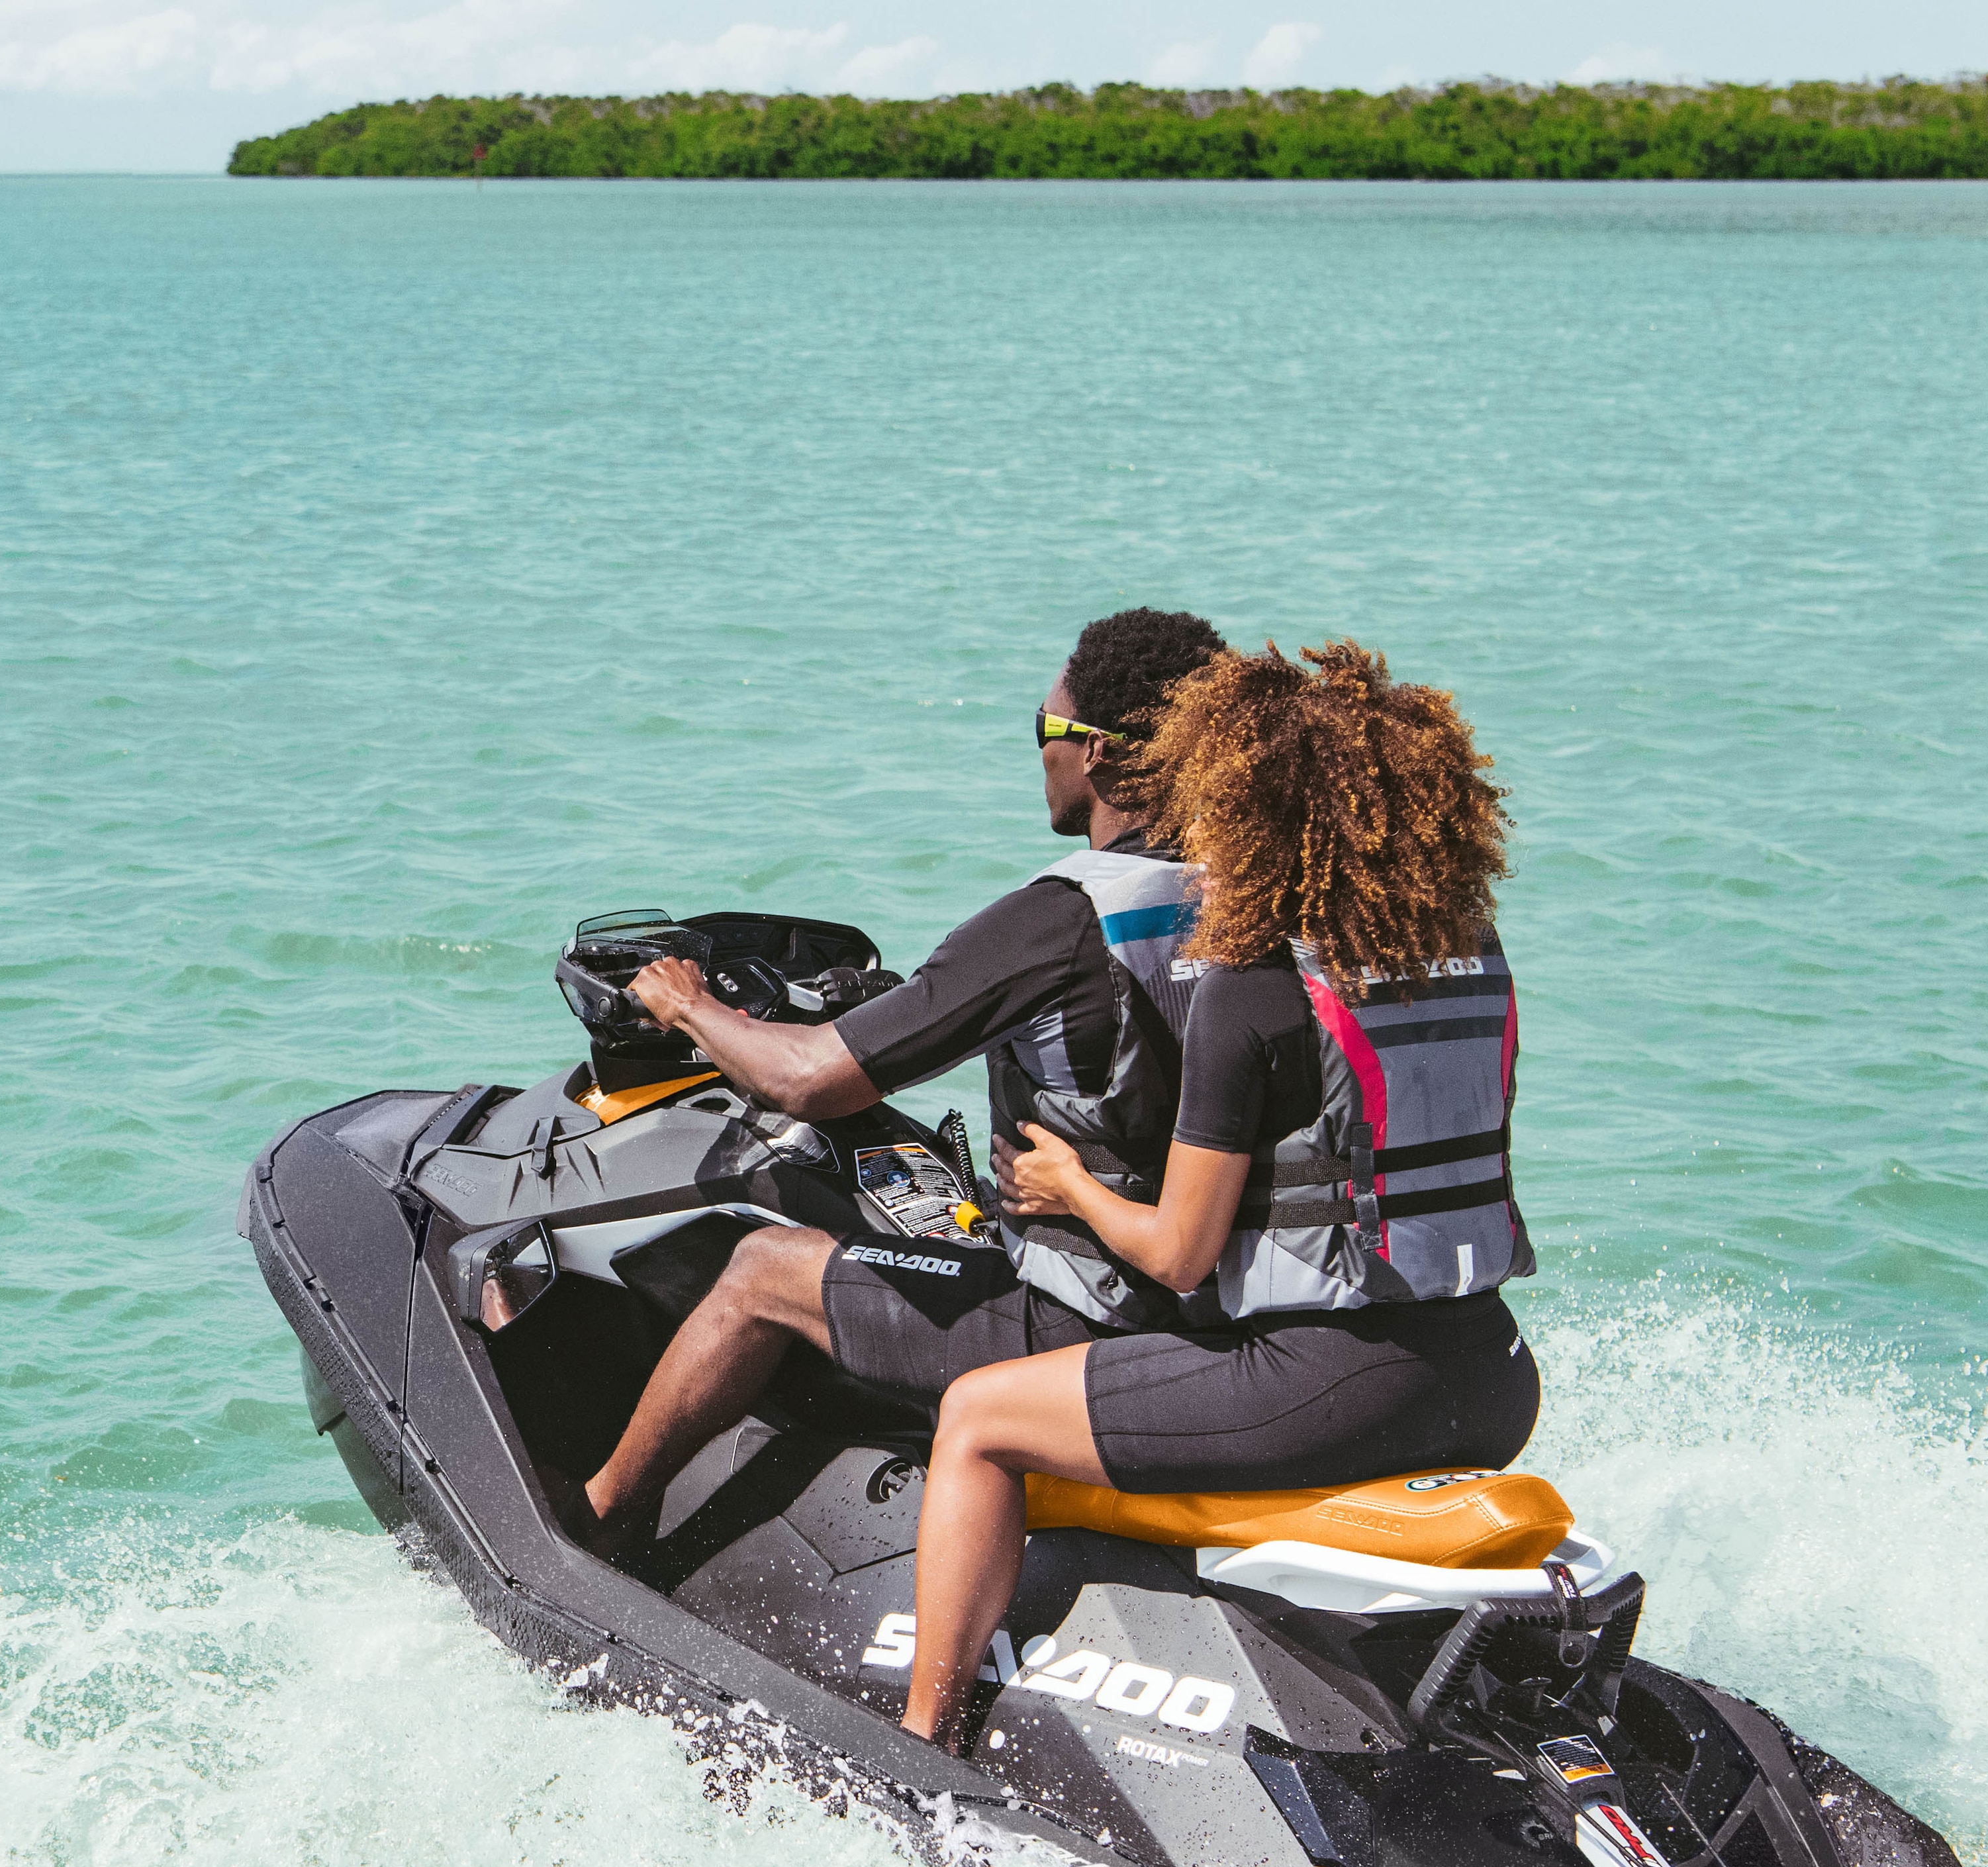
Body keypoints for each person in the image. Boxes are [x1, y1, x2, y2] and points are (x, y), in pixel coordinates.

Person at [898, 638, 1543, 1746]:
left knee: (979, 1415)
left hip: (1331, 1383)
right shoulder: (1469, 953)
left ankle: (920, 1742)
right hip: (1494, 1374)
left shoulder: (1252, 986)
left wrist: (1067, 1186)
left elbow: (1180, 1254)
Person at [578, 608, 1231, 1556]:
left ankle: (599, 1524)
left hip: (1083, 1313)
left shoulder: (1062, 916)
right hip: (1214, 1306)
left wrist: (689, 1008)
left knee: (764, 1270)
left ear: (1093, 753)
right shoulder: (1252, 895)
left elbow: (807, 1080)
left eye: (1043, 731)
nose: (1039, 754)